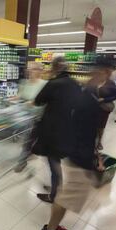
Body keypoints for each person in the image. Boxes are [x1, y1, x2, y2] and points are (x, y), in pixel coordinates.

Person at [39, 60, 102, 230]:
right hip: (76, 153)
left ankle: (52, 225)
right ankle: (51, 229)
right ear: (102, 72)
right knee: (66, 194)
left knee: (63, 190)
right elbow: (80, 126)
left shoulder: (85, 92)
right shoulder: (82, 92)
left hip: (70, 148)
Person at [33, 57, 81, 204]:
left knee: (54, 162)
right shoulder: (75, 84)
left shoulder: (54, 83)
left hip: (53, 130)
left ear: (54, 68)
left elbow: (38, 100)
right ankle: (55, 186)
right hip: (68, 128)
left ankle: (55, 194)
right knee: (56, 161)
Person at [13, 62, 47, 172]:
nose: (30, 71)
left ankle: (22, 161)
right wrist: (14, 98)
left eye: (33, 69)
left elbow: (46, 101)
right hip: (26, 116)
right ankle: (26, 157)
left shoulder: (44, 84)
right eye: (29, 69)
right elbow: (20, 95)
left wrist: (33, 102)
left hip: (38, 117)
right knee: (28, 139)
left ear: (39, 71)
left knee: (28, 140)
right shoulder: (25, 83)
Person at [90, 59, 116, 151]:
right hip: (92, 107)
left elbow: (115, 95)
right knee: (92, 124)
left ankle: (99, 142)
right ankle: (91, 141)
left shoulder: (111, 84)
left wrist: (104, 99)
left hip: (103, 108)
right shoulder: (93, 81)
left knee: (101, 126)